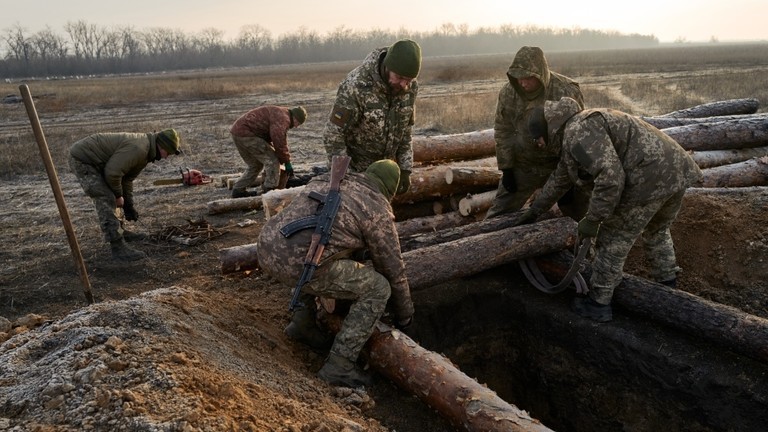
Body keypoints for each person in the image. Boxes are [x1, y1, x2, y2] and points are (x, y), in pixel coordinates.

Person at [513, 97, 703, 322]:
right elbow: (560, 179)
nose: (539, 145)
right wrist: (535, 210)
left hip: (648, 180)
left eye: (538, 139)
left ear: (548, 130)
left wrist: (593, 219)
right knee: (656, 231)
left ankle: (598, 304)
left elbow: (610, 178)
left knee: (611, 239)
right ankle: (668, 285)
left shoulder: (578, 133)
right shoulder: (576, 132)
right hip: (675, 172)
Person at [257, 159, 414, 387]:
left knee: (315, 250)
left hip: (266, 248)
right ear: (390, 189)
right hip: (299, 266)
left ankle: (302, 325)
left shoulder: (328, 180)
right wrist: (405, 315)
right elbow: (393, 269)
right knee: (379, 288)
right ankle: (339, 365)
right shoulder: (376, 209)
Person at [486, 46, 586, 220]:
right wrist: (507, 168)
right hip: (525, 165)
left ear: (540, 74)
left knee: (581, 213)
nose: (522, 83)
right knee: (497, 216)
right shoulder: (508, 93)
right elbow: (503, 130)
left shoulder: (565, 89)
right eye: (518, 79)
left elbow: (578, 133)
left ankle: (587, 244)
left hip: (559, 164)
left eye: (527, 79)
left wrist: (572, 173)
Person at [322, 39, 421, 195]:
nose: (404, 84)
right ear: (388, 66)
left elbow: (406, 130)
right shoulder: (357, 85)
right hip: (356, 173)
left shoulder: (410, 88)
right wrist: (345, 178)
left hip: (385, 175)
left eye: (408, 80)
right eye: (400, 77)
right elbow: (333, 134)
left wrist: (405, 168)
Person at [69, 129, 182, 261]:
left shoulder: (145, 153)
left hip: (99, 162)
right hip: (83, 160)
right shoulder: (139, 148)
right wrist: (118, 195)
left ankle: (121, 231)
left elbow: (126, 180)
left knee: (114, 192)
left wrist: (129, 206)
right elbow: (113, 173)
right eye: (167, 152)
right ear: (160, 145)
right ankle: (117, 247)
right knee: (106, 197)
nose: (166, 157)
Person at [229, 105, 307, 198]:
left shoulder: (282, 113)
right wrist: (287, 162)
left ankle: (238, 190)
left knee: (255, 165)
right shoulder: (283, 118)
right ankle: (270, 192)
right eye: (297, 123)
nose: (296, 126)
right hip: (248, 134)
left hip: (237, 133)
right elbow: (279, 142)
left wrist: (283, 158)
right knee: (273, 161)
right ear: (295, 117)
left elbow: (271, 139)